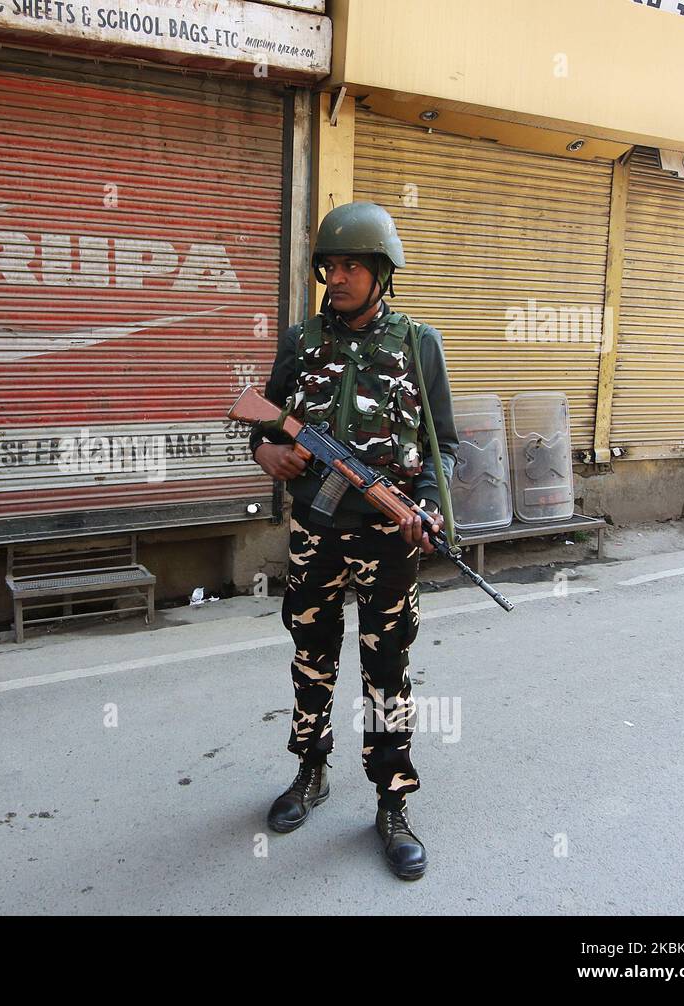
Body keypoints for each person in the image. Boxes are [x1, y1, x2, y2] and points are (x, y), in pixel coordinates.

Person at [249, 202, 457, 879]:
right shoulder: (301, 341)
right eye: (328, 265)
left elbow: (442, 446)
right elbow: (265, 425)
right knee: (312, 659)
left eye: (349, 266)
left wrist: (423, 506)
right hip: (315, 532)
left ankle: (392, 801)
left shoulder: (419, 344)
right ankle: (310, 772)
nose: (334, 277)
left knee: (388, 671)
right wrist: (267, 454)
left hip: (389, 543)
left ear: (380, 273)